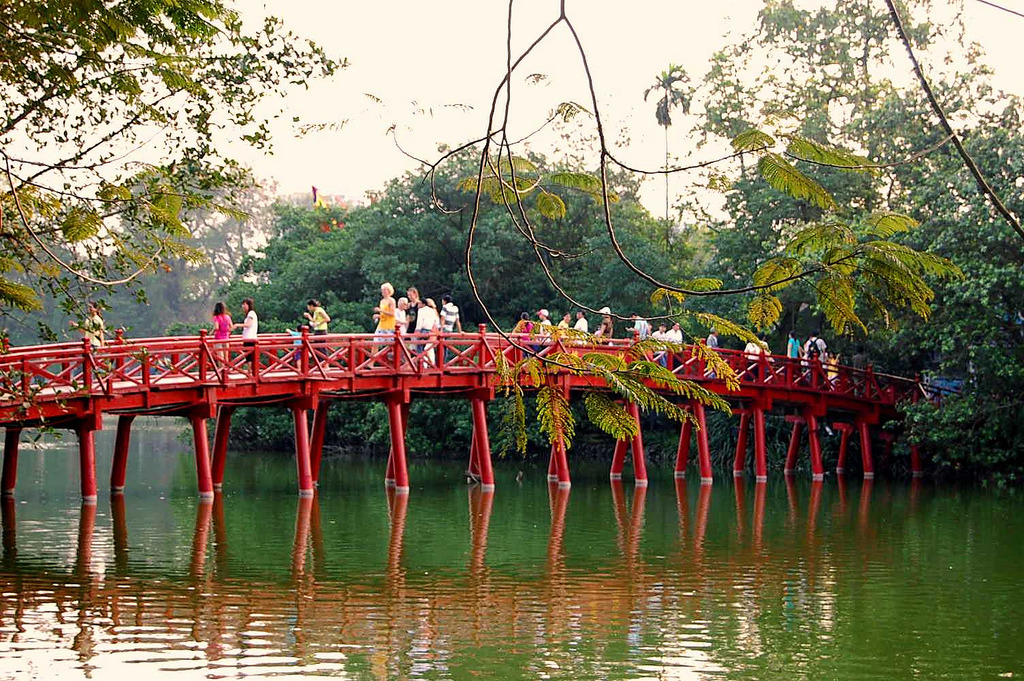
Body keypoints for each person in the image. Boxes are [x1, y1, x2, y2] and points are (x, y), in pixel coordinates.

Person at [415, 297, 441, 366]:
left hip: (423, 330)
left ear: (423, 303)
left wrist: (417, 330)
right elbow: (436, 323)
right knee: (426, 348)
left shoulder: (421, 310)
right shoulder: (432, 311)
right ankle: (430, 363)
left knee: (419, 347)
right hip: (429, 330)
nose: (418, 305)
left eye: (419, 303)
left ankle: (421, 364)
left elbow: (420, 321)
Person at [234, 298, 258, 367]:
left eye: (244, 304)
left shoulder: (251, 313)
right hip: (247, 338)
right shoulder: (249, 314)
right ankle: (250, 373)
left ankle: (250, 373)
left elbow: (248, 324)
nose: (243, 306)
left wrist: (237, 325)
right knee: (248, 358)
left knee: (249, 357)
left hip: (250, 338)